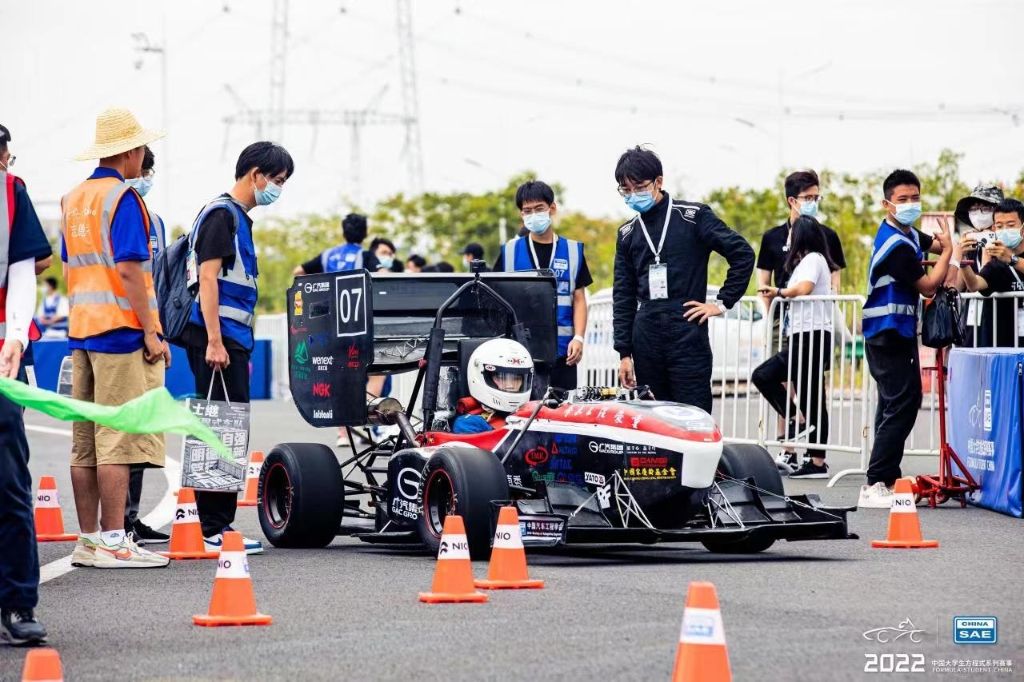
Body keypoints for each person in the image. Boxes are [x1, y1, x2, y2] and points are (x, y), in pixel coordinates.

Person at [61, 108, 170, 568]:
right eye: (142, 148)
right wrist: (151, 330)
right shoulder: (123, 198)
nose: (144, 155)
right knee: (119, 438)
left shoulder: (74, 198)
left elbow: (69, 266)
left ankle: (89, 540)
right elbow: (129, 267)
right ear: (129, 151)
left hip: (81, 332)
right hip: (122, 332)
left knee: (84, 440)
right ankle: (113, 538)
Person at [182, 141, 294, 554]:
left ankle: (216, 525)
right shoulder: (221, 216)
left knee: (225, 430)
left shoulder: (238, 218)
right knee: (217, 430)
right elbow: (208, 280)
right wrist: (214, 340)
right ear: (256, 175)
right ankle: (213, 528)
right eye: (277, 181)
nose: (277, 189)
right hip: (218, 341)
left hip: (230, 340)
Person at [612, 146, 754, 412]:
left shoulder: (692, 217)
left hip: (687, 327)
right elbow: (623, 295)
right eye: (625, 190)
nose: (633, 195)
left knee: (694, 414)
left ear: (659, 182)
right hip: (646, 333)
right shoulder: (628, 233)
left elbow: (743, 253)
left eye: (639, 187)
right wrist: (624, 352)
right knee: (653, 417)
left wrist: (722, 303)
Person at [859, 169, 953, 508]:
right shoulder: (896, 244)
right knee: (904, 401)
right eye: (903, 200)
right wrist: (946, 254)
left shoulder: (908, 232)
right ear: (887, 204)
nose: (911, 204)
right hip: (886, 332)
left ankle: (884, 478)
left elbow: (934, 242)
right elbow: (927, 286)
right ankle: (874, 482)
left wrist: (943, 244)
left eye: (915, 198)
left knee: (892, 403)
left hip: (895, 330)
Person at [755, 170, 846, 467]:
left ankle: (807, 443)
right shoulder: (797, 251)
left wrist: (781, 291)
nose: (813, 202)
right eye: (808, 197)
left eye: (815, 197)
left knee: (786, 381)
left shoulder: (813, 258)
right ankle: (806, 450)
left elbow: (805, 288)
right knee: (805, 390)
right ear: (791, 200)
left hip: (810, 332)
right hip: (798, 329)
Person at [1, 121, 51, 644]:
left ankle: (17, 601)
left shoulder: (12, 194)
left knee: (10, 482)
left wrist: (15, 336)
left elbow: (21, 271)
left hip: (1, 359)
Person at [494, 180, 591, 390]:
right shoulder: (509, 252)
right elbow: (493, 297)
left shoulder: (573, 251)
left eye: (539, 209)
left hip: (563, 352)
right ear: (521, 214)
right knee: (521, 414)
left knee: (562, 412)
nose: (533, 215)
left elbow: (579, 298)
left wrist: (579, 338)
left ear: (552, 208)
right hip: (519, 351)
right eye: (527, 211)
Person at [119, 145, 169, 545]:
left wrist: (159, 328)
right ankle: (117, 522)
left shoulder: (156, 222)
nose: (146, 181)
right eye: (146, 172)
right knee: (122, 430)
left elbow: (161, 278)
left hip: (150, 329)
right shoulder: (119, 208)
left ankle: (130, 517)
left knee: (142, 429)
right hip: (124, 331)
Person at [958, 198, 1024, 347]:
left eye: (1011, 225)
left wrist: (1012, 259)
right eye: (1000, 226)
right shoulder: (996, 264)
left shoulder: (1008, 258)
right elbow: (975, 284)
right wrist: (963, 261)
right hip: (1007, 346)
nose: (1005, 230)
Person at [952, 186, 1003, 345]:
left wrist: (988, 250)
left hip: (998, 318)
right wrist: (963, 255)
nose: (979, 213)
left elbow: (983, 282)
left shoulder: (1006, 244)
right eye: (974, 209)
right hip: (972, 316)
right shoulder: (970, 241)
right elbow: (959, 286)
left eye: (985, 208)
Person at [452, 339, 534, 433]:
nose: (511, 385)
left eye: (517, 379)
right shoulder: (468, 424)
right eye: (501, 377)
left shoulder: (536, 418)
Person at [295, 213, 376, 276]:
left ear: (344, 233)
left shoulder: (326, 255)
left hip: (328, 297)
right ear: (365, 234)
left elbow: (298, 271)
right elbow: (383, 274)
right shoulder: (366, 255)